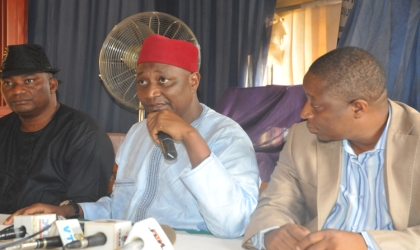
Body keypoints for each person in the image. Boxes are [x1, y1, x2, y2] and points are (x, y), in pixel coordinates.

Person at [4, 34, 260, 238]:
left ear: (193, 81)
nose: (150, 94)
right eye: (142, 82)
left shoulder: (227, 136)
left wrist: (191, 137)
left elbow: (234, 225)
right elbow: (120, 207)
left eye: (164, 80)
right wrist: (64, 211)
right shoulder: (139, 133)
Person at [243, 46, 420, 249]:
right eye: (307, 99)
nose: (304, 113)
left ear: (358, 108)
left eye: (316, 105)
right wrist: (270, 233)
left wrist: (365, 243)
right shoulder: (302, 138)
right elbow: (276, 203)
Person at [0, 44, 114, 214]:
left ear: (52, 85)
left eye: (28, 81)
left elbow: (87, 205)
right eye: (8, 83)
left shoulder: (83, 133)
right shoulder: (3, 128)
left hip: (55, 234)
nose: (17, 90)